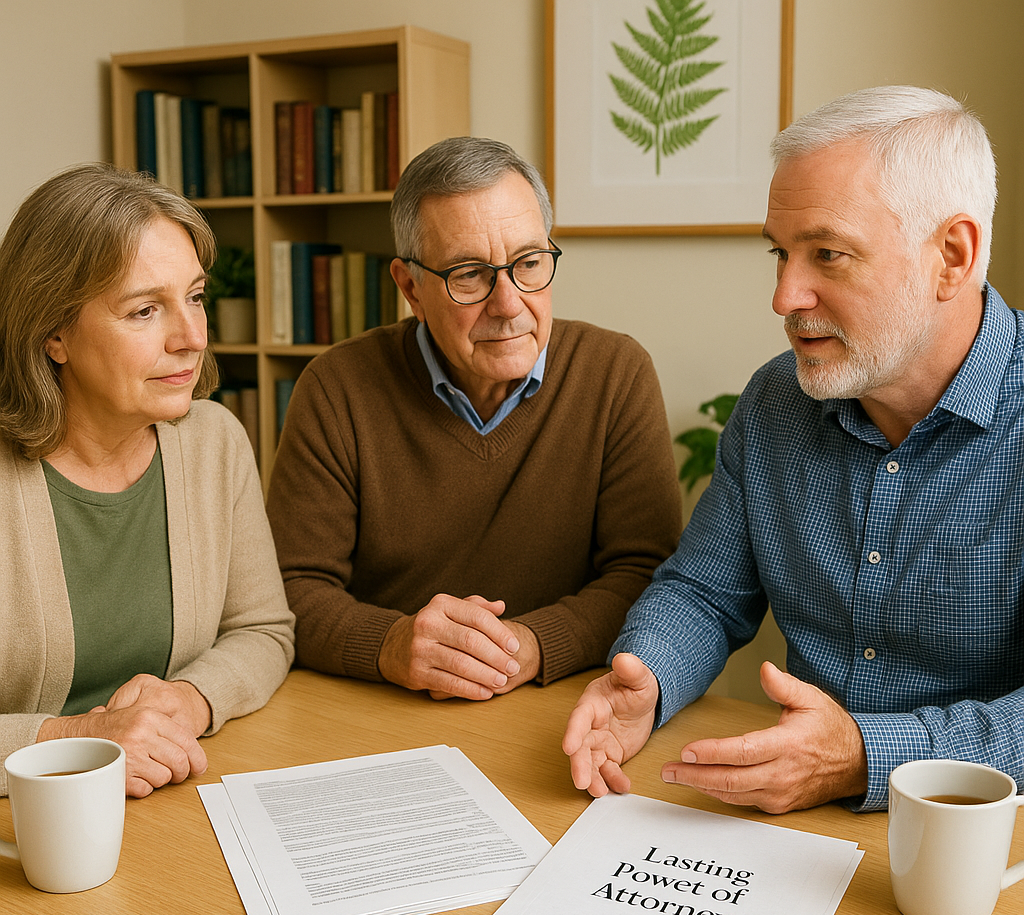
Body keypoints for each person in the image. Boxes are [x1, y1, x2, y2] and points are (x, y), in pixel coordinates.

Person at [564, 85, 1024, 814]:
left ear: (952, 256)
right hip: (793, 838)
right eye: (781, 253)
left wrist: (864, 757)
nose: (784, 296)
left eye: (828, 255)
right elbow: (705, 593)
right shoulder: (776, 402)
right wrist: (647, 676)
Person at [266, 137, 681, 701]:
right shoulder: (336, 388)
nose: (509, 303)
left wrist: (525, 646)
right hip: (378, 707)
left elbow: (647, 575)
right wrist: (393, 644)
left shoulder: (615, 374)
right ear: (410, 287)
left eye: (529, 263)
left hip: (556, 702)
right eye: (469, 274)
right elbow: (290, 589)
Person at [0, 163, 295, 798]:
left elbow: (263, 630)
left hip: (174, 801)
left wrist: (192, 700)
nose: (191, 338)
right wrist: (77, 739)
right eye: (144, 310)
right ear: (53, 333)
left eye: (194, 297)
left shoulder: (215, 441)